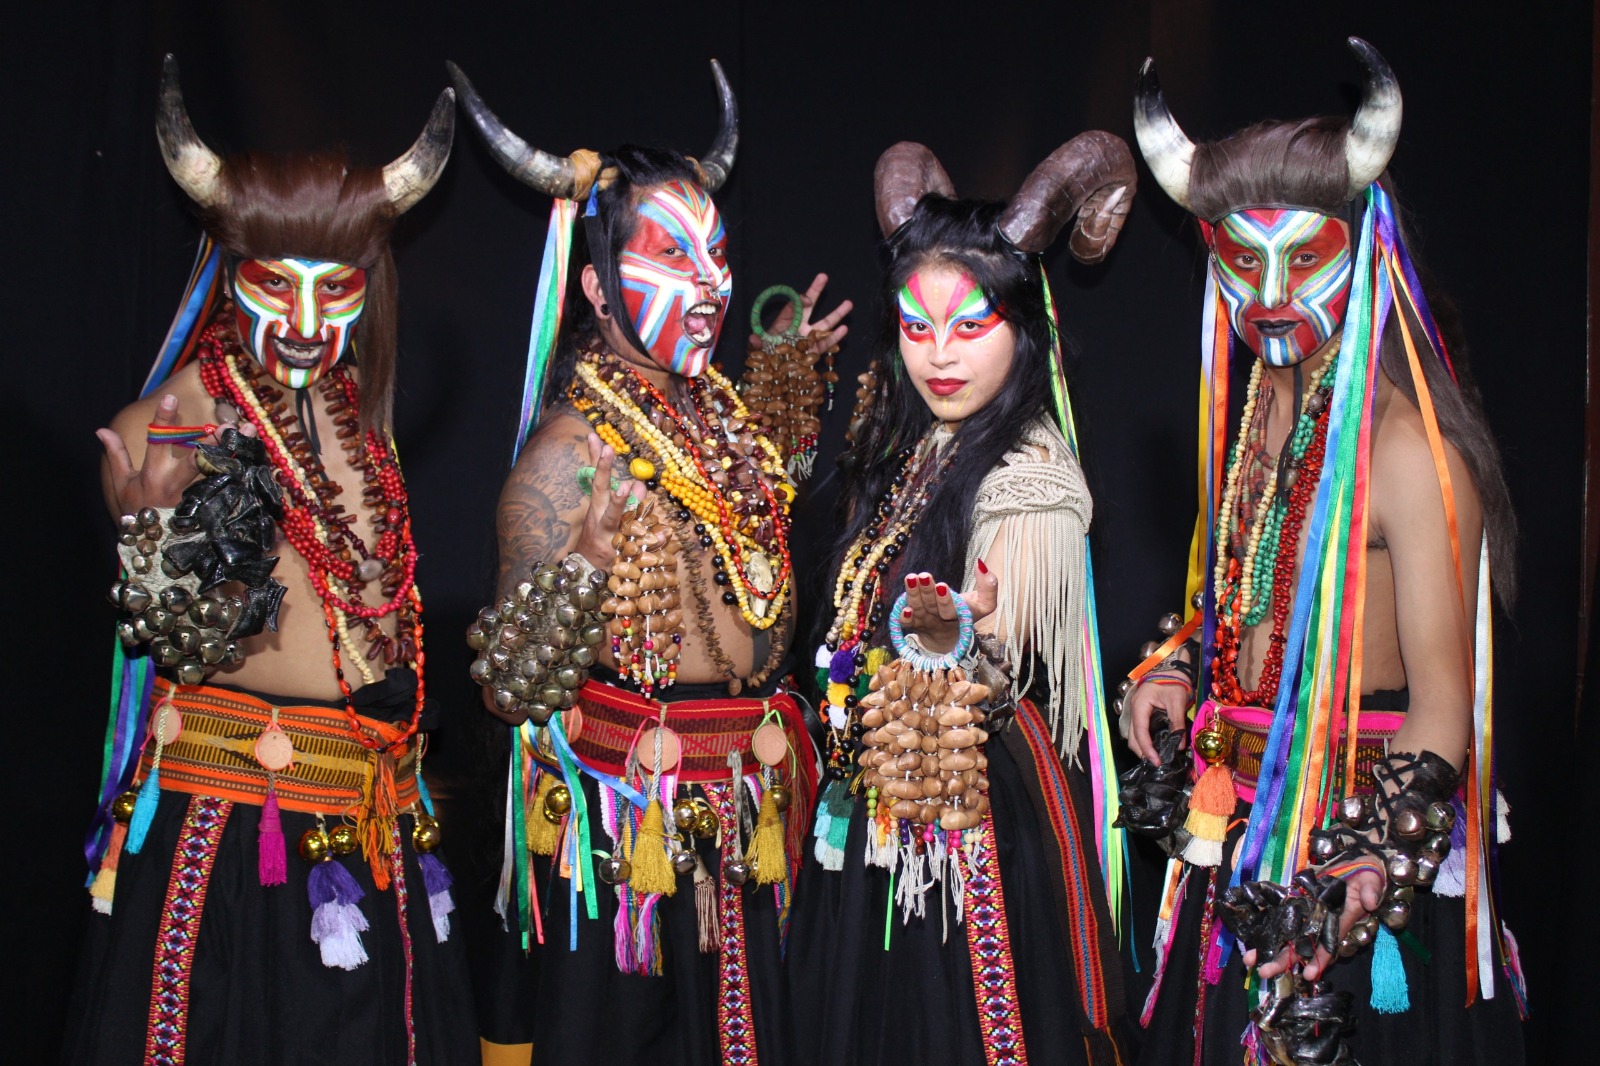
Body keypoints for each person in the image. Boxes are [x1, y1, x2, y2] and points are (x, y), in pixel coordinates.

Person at [1122, 38, 1527, 1065]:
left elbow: (1445, 702)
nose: (1265, 293)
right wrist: (1174, 669)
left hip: (1350, 855)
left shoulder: (1407, 449)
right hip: (1235, 840)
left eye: (1301, 258)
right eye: (1237, 258)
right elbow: (1243, 601)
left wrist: (1360, 866)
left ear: (1363, 247)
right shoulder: (1256, 406)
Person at [67, 58, 477, 1065]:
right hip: (238, 832)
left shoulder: (353, 421)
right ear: (227, 267)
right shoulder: (173, 420)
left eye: (330, 290)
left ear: (368, 282)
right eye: (272, 288)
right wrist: (152, 536)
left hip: (365, 820)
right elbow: (164, 626)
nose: (301, 324)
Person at [450, 60, 849, 1065]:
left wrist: (790, 388)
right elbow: (506, 690)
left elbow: (754, 546)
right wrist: (579, 569)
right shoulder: (568, 456)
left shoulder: (720, 415)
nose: (712, 285)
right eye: (671, 256)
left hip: (755, 804)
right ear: (594, 284)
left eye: (715, 253)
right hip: (637, 825)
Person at [786, 136, 1137, 1066]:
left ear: (1024, 327)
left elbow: (1002, 651)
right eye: (916, 325)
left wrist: (964, 629)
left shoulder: (1029, 471)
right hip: (877, 793)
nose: (938, 356)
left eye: (969, 326)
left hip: (966, 819)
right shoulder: (909, 444)